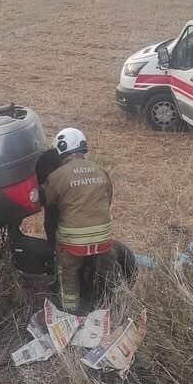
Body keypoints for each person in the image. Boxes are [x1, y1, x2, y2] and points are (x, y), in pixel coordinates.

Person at [42, 127, 115, 314]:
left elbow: (47, 201)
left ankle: (70, 311)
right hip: (104, 240)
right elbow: (108, 199)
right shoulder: (101, 171)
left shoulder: (58, 175)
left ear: (61, 148)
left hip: (73, 242)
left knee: (67, 274)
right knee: (109, 274)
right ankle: (115, 304)